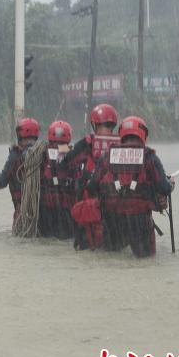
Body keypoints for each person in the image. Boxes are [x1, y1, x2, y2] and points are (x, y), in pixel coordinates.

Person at [87, 116, 173, 257]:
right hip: (140, 223)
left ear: (122, 134)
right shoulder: (150, 158)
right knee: (145, 265)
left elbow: (91, 188)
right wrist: (170, 185)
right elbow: (164, 188)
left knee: (110, 262)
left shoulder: (106, 156)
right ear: (143, 135)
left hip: (112, 221)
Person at [61, 104, 120, 250]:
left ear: (94, 124)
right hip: (116, 209)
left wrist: (59, 148)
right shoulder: (122, 144)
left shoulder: (87, 143)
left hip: (89, 209)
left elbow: (66, 160)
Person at [0, 118, 40, 221]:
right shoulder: (44, 151)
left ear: (19, 134)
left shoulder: (15, 155)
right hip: (43, 211)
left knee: (23, 232)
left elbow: (3, 180)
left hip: (23, 212)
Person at [39, 120, 75, 239]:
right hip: (66, 208)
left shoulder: (40, 152)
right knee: (66, 239)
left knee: (46, 238)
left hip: (45, 208)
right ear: (68, 136)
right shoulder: (74, 153)